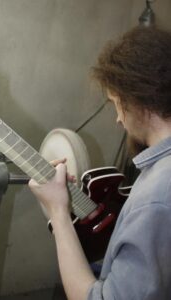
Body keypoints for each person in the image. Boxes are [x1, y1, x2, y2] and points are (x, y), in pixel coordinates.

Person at [29, 25, 171, 300]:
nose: (118, 119)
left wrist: (58, 211)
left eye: (115, 103)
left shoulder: (156, 197)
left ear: (134, 98)